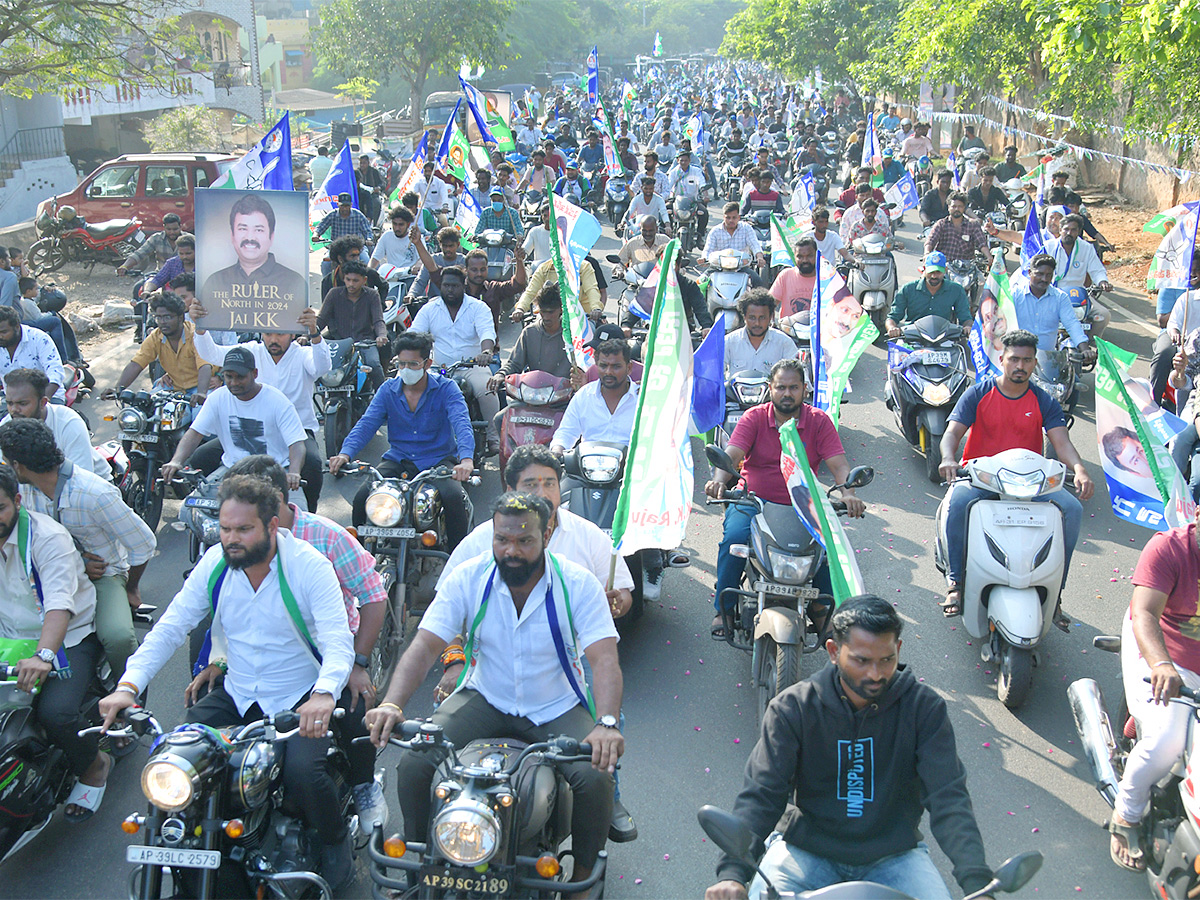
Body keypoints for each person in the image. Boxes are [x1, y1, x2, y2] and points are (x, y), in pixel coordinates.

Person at [99, 474, 356, 889]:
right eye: (224, 528)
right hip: (237, 694)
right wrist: (127, 686)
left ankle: (334, 841)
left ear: (272, 526)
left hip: (298, 697)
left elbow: (337, 640)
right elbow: (171, 626)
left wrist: (324, 694)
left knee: (304, 775)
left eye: (243, 529)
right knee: (175, 762)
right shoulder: (216, 564)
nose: (231, 538)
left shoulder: (309, 566)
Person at [365, 491, 622, 890]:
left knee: (595, 776)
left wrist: (605, 724)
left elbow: (604, 660)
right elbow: (425, 645)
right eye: (502, 539)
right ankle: (419, 863)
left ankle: (585, 877)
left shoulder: (578, 584)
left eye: (524, 541)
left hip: (555, 706)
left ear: (548, 534)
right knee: (414, 763)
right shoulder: (469, 577)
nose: (511, 551)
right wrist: (393, 704)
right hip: (485, 697)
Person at [704, 595, 992, 900]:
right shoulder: (793, 709)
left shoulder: (924, 709)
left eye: (886, 659)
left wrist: (978, 885)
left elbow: (949, 797)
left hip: (895, 856)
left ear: (899, 650)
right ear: (833, 651)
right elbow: (762, 794)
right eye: (861, 660)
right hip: (805, 851)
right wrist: (734, 874)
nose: (875, 674)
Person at [434, 446, 638, 840]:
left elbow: (623, 597)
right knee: (421, 758)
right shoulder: (479, 545)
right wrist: (453, 660)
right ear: (511, 489)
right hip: (489, 680)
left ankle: (602, 813)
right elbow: (442, 617)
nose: (543, 491)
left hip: (567, 677)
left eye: (550, 483)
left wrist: (617, 602)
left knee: (603, 745)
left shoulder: (588, 539)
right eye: (532, 484)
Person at [187, 455, 389, 835]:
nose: (234, 532)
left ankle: (363, 786)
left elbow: (373, 597)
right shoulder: (230, 550)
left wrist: (357, 664)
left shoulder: (324, 540)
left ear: (274, 505)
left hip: (325, 654)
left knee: (356, 705)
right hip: (256, 665)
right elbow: (228, 610)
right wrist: (218, 659)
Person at [937, 329, 1093, 622]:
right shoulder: (978, 393)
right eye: (1014, 359)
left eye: (1027, 360)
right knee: (957, 504)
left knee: (1072, 509)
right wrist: (948, 457)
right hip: (981, 477)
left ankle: (1055, 592)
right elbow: (952, 433)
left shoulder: (1044, 400)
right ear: (1002, 359)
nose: (1020, 366)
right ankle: (955, 581)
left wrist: (1080, 469)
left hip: (1029, 483)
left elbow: (1062, 443)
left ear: (1035, 363)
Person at [705, 359, 865, 639]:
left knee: (827, 551)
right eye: (781, 387)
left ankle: (823, 610)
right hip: (754, 502)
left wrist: (848, 493)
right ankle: (724, 608)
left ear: (805, 389)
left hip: (804, 504)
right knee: (733, 540)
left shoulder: (819, 421)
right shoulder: (754, 417)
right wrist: (718, 481)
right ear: (771, 388)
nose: (787, 393)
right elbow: (731, 454)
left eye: (794, 387)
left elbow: (839, 465)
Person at [0, 419, 155, 687]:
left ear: (18, 466)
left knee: (118, 636)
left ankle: (129, 698)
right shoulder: (20, 489)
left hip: (103, 576)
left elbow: (143, 544)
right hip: (42, 567)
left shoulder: (94, 493)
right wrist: (79, 561)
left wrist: (130, 587)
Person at [0, 464, 111, 821]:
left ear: (17, 501)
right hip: (10, 640)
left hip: (67, 639)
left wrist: (44, 655)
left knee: (56, 713)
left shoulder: (47, 538)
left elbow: (59, 605)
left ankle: (94, 766)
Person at [1107, 507, 1200, 870]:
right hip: (1163, 651)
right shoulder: (1169, 548)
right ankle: (1126, 815)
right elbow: (1145, 613)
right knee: (1168, 740)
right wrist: (1161, 664)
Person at [328, 330, 475, 548]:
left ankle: (456, 558)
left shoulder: (446, 388)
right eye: (401, 364)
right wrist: (344, 453)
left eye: (413, 364)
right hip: (398, 459)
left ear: (427, 363)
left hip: (438, 461)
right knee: (362, 499)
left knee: (453, 498)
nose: (406, 370)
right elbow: (367, 423)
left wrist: (466, 460)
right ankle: (361, 558)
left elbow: (461, 423)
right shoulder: (387, 390)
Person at [188, 300, 329, 512]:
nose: (273, 340)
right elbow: (212, 354)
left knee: (311, 464)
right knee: (200, 457)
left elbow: (323, 366)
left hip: (295, 432)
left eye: (280, 334)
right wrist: (200, 327)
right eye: (268, 334)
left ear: (292, 334)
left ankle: (306, 517)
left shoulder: (302, 355)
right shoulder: (251, 352)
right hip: (250, 429)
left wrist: (314, 333)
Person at [159, 347, 308, 490]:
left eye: (240, 377)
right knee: (190, 509)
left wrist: (294, 473)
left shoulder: (278, 401)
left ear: (255, 374)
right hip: (231, 470)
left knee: (295, 511)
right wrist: (176, 461)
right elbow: (195, 433)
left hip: (273, 472)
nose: (234, 383)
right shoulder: (217, 398)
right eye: (229, 377)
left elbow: (296, 443)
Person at [408, 265, 499, 449]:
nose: (450, 290)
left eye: (455, 286)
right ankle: (414, 434)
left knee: (487, 389)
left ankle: (493, 437)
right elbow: (414, 335)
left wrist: (486, 353)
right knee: (414, 390)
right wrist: (406, 356)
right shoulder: (429, 309)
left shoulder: (478, 308)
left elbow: (487, 333)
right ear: (441, 285)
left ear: (463, 285)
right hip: (440, 369)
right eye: (446, 285)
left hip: (473, 367)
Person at [202, 194, 308, 311]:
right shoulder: (214, 282)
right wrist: (199, 323)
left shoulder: (294, 282)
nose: (250, 237)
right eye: (243, 229)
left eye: (258, 230)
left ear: (271, 236)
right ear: (232, 235)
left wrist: (311, 328)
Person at [2, 368, 108, 478]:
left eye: (22, 403)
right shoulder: (6, 426)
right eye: (9, 403)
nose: (14, 409)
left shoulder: (69, 423)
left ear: (43, 402)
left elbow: (82, 479)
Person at [107, 292, 213, 402]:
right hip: (173, 386)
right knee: (148, 408)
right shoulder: (156, 336)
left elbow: (204, 366)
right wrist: (118, 389)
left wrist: (201, 393)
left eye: (167, 317)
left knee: (198, 414)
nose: (162, 322)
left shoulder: (194, 335)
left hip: (203, 387)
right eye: (159, 318)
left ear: (181, 317)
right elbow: (136, 364)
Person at [317, 260, 388, 391]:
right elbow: (321, 320)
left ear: (364, 280)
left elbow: (379, 321)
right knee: (320, 370)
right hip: (339, 344)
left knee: (374, 365)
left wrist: (381, 335)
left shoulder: (372, 295)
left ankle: (383, 400)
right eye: (348, 279)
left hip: (365, 343)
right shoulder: (333, 294)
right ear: (343, 278)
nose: (351, 284)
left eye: (355, 280)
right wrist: (309, 334)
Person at [1044, 213, 1113, 336]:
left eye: (1073, 230)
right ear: (1060, 230)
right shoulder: (1048, 247)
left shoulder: (1086, 248)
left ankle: (1091, 343)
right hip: (1053, 293)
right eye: (1066, 229)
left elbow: (1097, 270)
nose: (1069, 233)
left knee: (1103, 315)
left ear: (1079, 231)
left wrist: (1103, 282)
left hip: (1078, 294)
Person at [1009, 253, 1090, 353]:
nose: (1044, 279)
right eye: (1040, 274)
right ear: (1030, 273)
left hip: (1047, 361)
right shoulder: (1014, 295)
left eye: (1049, 275)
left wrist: (1085, 349)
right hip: (1018, 357)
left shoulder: (1060, 297)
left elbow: (1072, 324)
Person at [885, 252, 972, 337]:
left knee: (965, 349)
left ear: (945, 270)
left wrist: (968, 327)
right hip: (912, 338)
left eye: (938, 272)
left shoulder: (956, 290)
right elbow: (893, 317)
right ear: (924, 269)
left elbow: (965, 317)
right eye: (931, 272)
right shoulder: (908, 289)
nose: (934, 276)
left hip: (944, 338)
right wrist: (892, 328)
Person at [0, 306, 64, 402]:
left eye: (3, 332)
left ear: (17, 327)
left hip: (46, 396)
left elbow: (55, 371)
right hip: (11, 400)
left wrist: (41, 402)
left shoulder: (39, 338)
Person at [725, 290, 796, 375]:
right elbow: (714, 377)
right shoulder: (729, 342)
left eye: (762, 318)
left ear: (771, 317)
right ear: (744, 317)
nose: (757, 323)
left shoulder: (784, 343)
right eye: (752, 318)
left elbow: (798, 377)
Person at [514, 257, 604, 323]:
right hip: (547, 316)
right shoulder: (544, 268)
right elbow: (530, 292)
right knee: (528, 334)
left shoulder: (583, 267)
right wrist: (520, 309)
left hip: (580, 318)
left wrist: (595, 308)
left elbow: (591, 289)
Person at [15, 275, 78, 364]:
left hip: (28, 322)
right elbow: (39, 317)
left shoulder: (24, 300)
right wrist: (52, 313)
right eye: (36, 289)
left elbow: (36, 297)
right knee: (55, 321)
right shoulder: (29, 304)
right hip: (32, 324)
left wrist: (43, 289)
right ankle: (63, 357)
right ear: (29, 291)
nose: (37, 290)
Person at [924, 192, 989, 260]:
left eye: (960, 206)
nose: (957, 209)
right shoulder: (941, 224)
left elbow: (982, 243)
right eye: (954, 206)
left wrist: (988, 256)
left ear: (964, 208)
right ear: (949, 207)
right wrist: (927, 253)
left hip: (966, 267)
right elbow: (931, 241)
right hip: (944, 264)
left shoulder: (973, 225)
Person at [409, 227, 466, 305]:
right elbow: (420, 281)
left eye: (451, 246)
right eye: (445, 246)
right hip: (434, 303)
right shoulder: (432, 260)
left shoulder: (464, 261)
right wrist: (411, 294)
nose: (448, 249)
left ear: (458, 245)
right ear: (440, 245)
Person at [702, 202, 765, 271]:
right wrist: (704, 259)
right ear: (723, 217)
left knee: (758, 281)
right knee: (702, 281)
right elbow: (708, 249)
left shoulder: (746, 228)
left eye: (734, 217)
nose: (731, 220)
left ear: (739, 217)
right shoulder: (715, 231)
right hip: (719, 268)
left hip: (741, 268)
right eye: (728, 218)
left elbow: (755, 245)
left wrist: (759, 257)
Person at [770, 237, 819, 318]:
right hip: (788, 329)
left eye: (809, 256)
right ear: (794, 257)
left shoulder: (825, 277)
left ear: (816, 255)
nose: (805, 260)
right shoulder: (785, 275)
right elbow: (770, 304)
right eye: (800, 257)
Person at [669, 149, 711, 237]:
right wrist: (664, 197)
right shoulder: (673, 172)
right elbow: (668, 186)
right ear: (677, 161)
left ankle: (700, 235)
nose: (683, 162)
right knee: (665, 211)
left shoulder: (696, 171)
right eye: (681, 160)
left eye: (686, 160)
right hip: (676, 201)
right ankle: (667, 233)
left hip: (693, 202)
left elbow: (701, 183)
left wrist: (705, 195)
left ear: (689, 161)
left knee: (704, 213)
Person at [369, 207, 419, 273]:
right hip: (391, 275)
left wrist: (417, 267)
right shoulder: (386, 236)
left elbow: (422, 259)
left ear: (408, 224)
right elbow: (375, 258)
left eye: (401, 225)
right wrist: (368, 271)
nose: (397, 228)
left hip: (409, 276)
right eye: (394, 224)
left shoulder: (415, 238)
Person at [356, 155, 385, 225]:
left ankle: (374, 224)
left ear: (368, 163)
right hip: (360, 195)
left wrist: (378, 188)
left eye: (364, 163)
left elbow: (382, 183)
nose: (362, 165)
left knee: (377, 203)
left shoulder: (374, 171)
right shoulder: (357, 172)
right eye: (361, 163)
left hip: (373, 195)